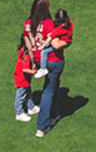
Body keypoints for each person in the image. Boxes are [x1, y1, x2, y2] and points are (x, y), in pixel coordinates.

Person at [34, 8, 73, 137]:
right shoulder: (52, 25)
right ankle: (42, 126)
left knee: (55, 85)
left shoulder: (36, 23)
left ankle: (54, 115)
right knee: (48, 91)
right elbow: (57, 45)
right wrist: (67, 43)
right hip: (55, 62)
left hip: (40, 59)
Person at [13, 41, 38, 122]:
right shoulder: (25, 55)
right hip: (22, 79)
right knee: (20, 97)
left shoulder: (23, 51)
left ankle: (31, 107)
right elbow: (24, 69)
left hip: (24, 79)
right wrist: (33, 72)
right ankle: (19, 113)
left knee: (28, 93)